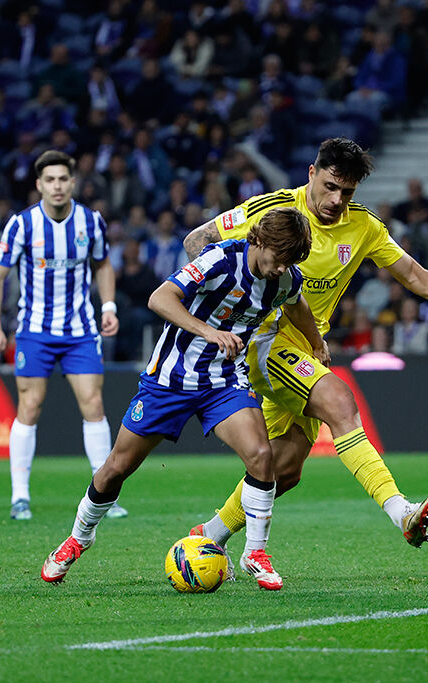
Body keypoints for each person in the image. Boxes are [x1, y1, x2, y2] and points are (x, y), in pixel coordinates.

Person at [181, 137, 428, 559]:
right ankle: (401, 512)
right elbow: (198, 240)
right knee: (339, 400)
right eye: (330, 187)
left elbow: (410, 272)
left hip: (305, 346)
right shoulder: (274, 210)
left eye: (348, 192)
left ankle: (207, 534)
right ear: (312, 175)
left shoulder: (363, 227)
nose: (337, 200)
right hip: (260, 339)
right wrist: (232, 303)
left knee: (284, 469)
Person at [41, 207, 319, 591]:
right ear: (259, 240)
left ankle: (255, 552)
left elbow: (297, 304)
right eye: (277, 258)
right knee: (116, 467)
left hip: (223, 382)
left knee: (261, 455)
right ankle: (78, 538)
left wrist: (317, 343)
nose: (280, 268)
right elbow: (160, 298)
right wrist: (208, 331)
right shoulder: (220, 259)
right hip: (169, 380)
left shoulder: (285, 278)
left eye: (289, 262)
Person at [0, 150, 126, 521]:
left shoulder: (90, 222)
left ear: (72, 182)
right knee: (29, 407)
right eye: (50, 180)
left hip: (80, 330)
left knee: (93, 405)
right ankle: (20, 497)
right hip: (34, 330)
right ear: (39, 185)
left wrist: (108, 306)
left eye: (63, 179)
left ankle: (104, 495)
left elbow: (103, 265)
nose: (57, 186)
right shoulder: (22, 225)